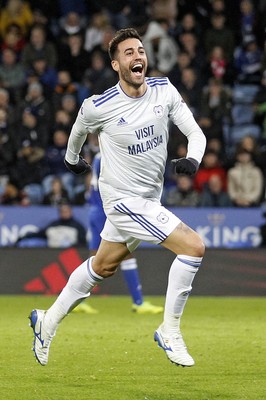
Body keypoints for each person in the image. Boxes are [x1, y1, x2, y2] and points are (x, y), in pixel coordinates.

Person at [29, 28, 206, 368]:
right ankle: (170, 331)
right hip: (121, 201)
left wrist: (193, 158)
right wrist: (71, 160)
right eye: (128, 52)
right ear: (115, 64)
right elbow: (78, 130)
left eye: (140, 50)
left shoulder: (163, 90)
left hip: (148, 200)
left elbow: (194, 132)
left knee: (103, 266)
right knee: (194, 247)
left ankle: (46, 321)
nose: (137, 56)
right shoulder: (99, 106)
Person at [73, 152, 164, 315]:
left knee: (95, 258)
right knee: (125, 253)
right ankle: (139, 302)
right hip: (106, 211)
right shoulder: (111, 155)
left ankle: (76, 300)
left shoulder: (100, 155)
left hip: (95, 209)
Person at [16, 202, 87, 247]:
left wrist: (71, 246)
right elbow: (39, 234)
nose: (65, 213)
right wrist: (23, 237)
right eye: (62, 211)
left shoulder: (78, 227)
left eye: (67, 211)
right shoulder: (53, 225)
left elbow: (82, 244)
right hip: (51, 254)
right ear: (59, 213)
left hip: (70, 255)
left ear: (71, 212)